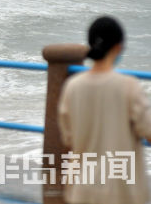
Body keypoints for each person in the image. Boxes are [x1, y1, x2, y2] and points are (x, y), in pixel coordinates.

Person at [58, 16, 151, 204]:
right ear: (118, 47)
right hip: (122, 191)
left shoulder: (72, 86)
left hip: (83, 189)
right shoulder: (128, 86)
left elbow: (68, 138)